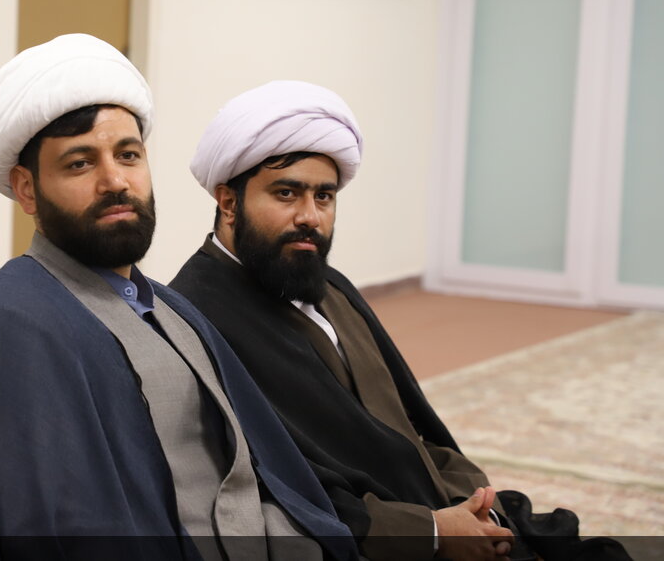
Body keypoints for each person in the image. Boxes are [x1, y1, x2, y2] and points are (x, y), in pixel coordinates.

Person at [0, 37, 358, 561]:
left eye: (128, 156)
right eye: (80, 163)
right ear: (27, 189)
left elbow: (264, 472)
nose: (115, 181)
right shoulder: (15, 326)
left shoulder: (169, 308)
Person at [170, 81, 632, 561]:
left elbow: (409, 430)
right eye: (287, 193)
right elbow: (267, 485)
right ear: (229, 202)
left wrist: (476, 506)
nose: (310, 216)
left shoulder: (328, 287)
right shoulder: (195, 317)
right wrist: (431, 532)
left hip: (439, 504)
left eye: (324, 197)